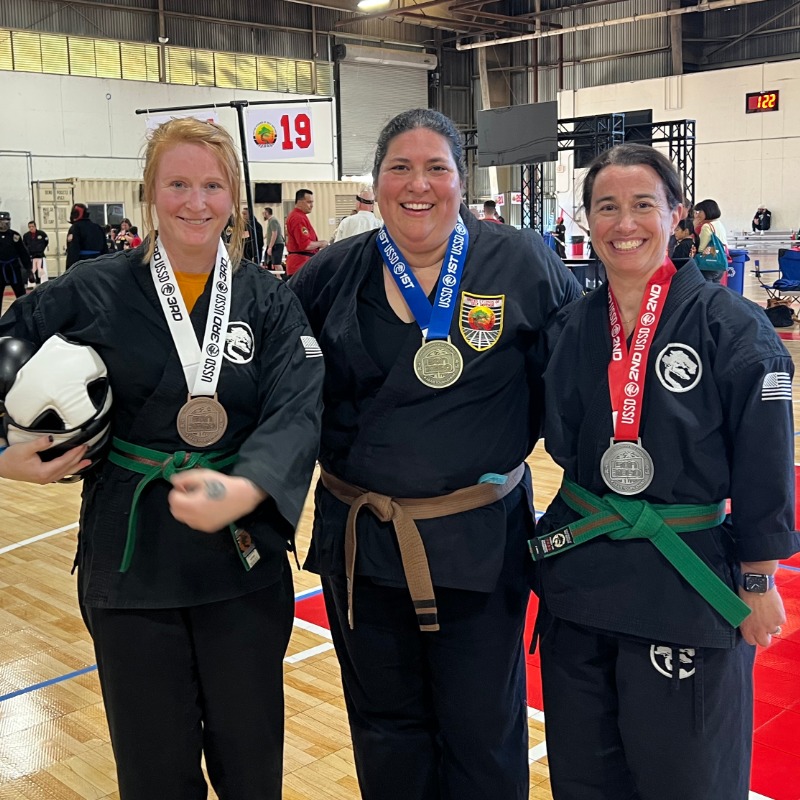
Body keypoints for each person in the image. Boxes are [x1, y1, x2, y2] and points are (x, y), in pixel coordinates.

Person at [0, 117, 324, 800]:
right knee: (153, 777)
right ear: (151, 192)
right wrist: (3, 453)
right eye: (178, 184)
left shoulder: (268, 300)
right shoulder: (93, 288)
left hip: (242, 561)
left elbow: (299, 403)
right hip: (131, 558)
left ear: (233, 196)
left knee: (252, 770)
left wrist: (250, 485)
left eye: (211, 185)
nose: (195, 202)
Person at [290, 108, 581, 800]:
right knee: (387, 732)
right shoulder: (332, 273)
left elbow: (577, 373)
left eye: (436, 169)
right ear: (376, 181)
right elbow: (271, 382)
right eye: (400, 168)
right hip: (363, 547)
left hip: (480, 543)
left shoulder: (521, 262)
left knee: (483, 732)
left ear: (461, 179)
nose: (417, 185)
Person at [530, 143, 799, 800]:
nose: (626, 223)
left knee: (689, 781)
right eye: (608, 207)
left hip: (685, 583)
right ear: (587, 221)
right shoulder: (568, 327)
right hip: (582, 582)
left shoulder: (733, 328)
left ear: (676, 216)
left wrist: (761, 575)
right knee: (585, 779)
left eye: (643, 205)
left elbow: (767, 457)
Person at [285, 189, 328, 277]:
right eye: (309, 202)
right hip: (300, 265)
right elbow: (305, 245)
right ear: (300, 202)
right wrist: (322, 243)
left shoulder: (299, 216)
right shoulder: (298, 218)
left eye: (312, 202)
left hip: (302, 264)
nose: (312, 205)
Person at [693, 198, 728, 283]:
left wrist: (694, 227)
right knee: (715, 290)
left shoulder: (707, 226)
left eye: (700, 212)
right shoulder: (719, 224)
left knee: (706, 291)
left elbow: (702, 248)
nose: (697, 215)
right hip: (720, 262)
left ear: (707, 211)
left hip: (708, 264)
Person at [0, 211, 33, 301]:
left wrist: (29, 269)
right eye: (2, 221)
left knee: (21, 294)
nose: (5, 224)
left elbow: (23, 253)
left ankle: (24, 313)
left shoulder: (15, 236)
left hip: (13, 268)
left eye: (7, 221)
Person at [65, 204, 108, 269]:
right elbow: (105, 250)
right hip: (99, 265)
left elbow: (73, 251)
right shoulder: (98, 227)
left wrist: (69, 269)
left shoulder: (75, 228)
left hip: (82, 266)